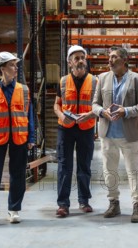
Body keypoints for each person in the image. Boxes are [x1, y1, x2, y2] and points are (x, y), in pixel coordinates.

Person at [92, 46, 138, 223]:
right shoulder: (102, 79)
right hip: (107, 134)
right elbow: (94, 104)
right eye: (109, 57)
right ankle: (113, 203)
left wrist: (127, 111)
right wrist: (102, 112)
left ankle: (137, 205)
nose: (110, 60)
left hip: (128, 134)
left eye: (114, 57)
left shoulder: (137, 79)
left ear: (124, 60)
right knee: (109, 170)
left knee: (133, 171)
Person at [0, 52, 36, 229]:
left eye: (16, 65)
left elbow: (30, 116)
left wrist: (32, 137)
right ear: (2, 68)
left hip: (20, 137)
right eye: (12, 65)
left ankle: (14, 210)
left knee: (17, 174)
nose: (16, 68)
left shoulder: (23, 90)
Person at [53, 45, 98, 217]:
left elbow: (99, 106)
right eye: (76, 58)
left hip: (86, 128)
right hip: (65, 128)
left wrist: (91, 114)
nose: (80, 61)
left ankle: (84, 200)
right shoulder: (63, 81)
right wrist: (60, 114)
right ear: (69, 62)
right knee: (64, 166)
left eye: (82, 58)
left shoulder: (95, 81)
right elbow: (56, 104)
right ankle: (63, 204)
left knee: (84, 165)